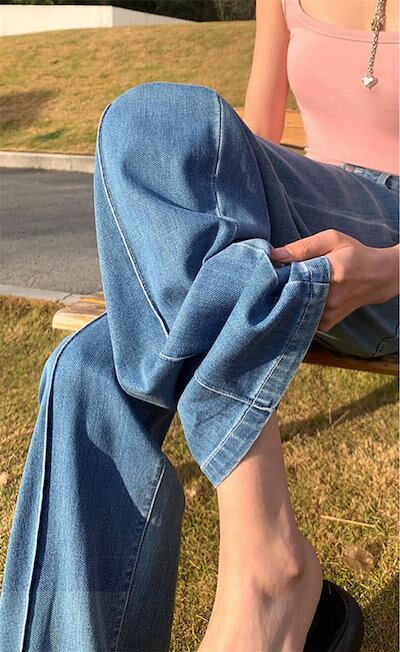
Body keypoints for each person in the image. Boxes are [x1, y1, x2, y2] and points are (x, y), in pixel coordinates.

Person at [0, 0, 398, 650]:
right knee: (84, 372)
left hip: (386, 252)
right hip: (296, 228)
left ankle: (267, 571)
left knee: (152, 121)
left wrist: (383, 271)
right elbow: (247, 145)